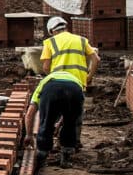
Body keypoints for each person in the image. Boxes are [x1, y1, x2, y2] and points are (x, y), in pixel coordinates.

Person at [25, 16, 99, 166]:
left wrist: (28, 135)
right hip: (77, 84)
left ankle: (42, 155)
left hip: (54, 85)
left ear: (52, 31)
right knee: (72, 119)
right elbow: (96, 59)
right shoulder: (81, 40)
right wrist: (88, 76)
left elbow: (46, 67)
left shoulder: (50, 42)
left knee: (47, 120)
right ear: (65, 27)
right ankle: (69, 150)